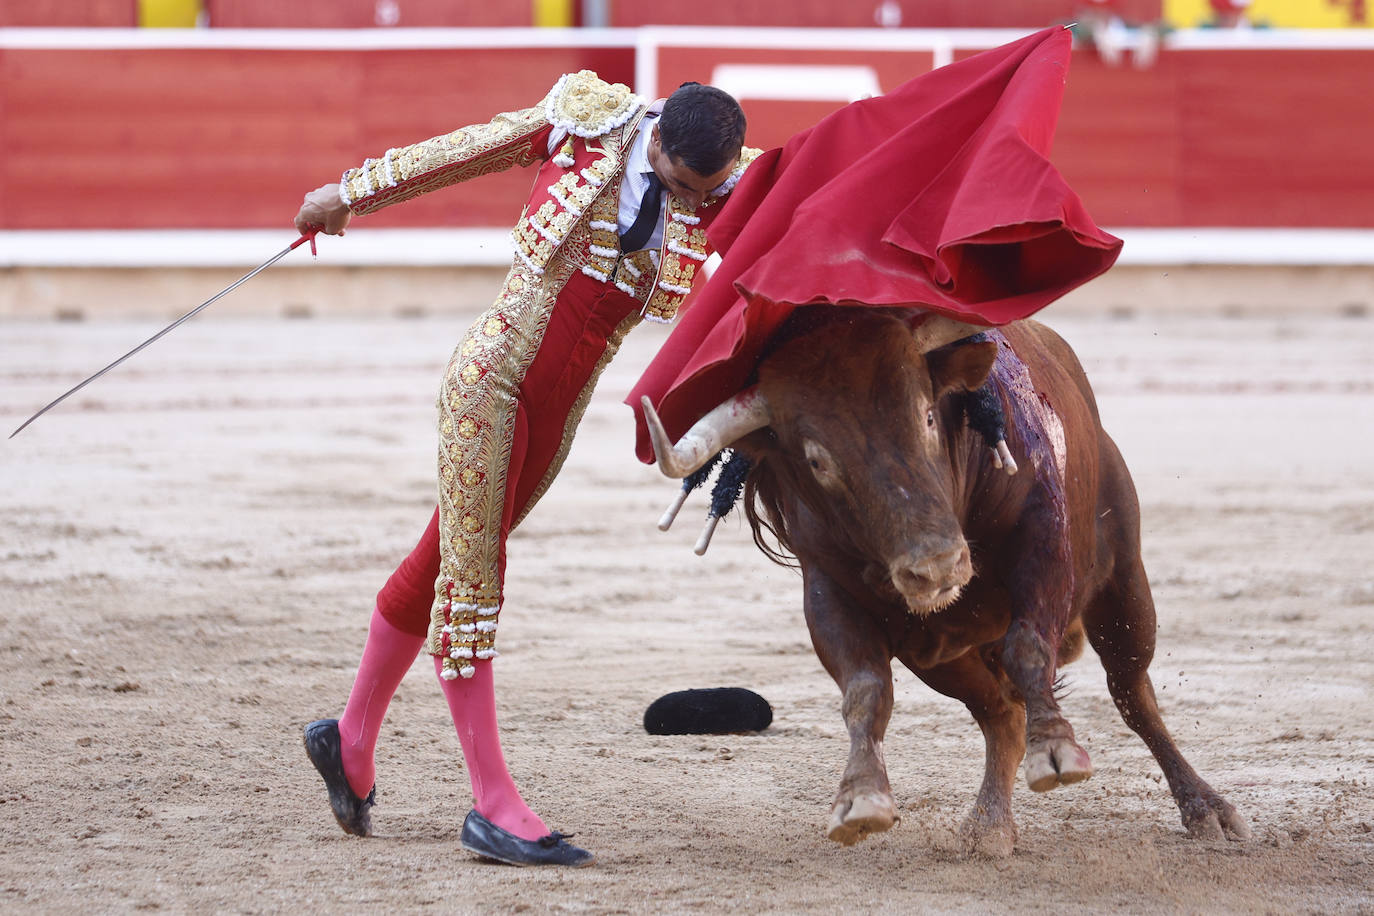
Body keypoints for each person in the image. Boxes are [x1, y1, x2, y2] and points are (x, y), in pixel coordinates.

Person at [294, 71, 757, 867]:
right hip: (492, 381)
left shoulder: (725, 185)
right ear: (658, 138)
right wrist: (350, 192)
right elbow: (467, 150)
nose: (690, 201)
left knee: (443, 557)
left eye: (702, 191)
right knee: (475, 581)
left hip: (558, 411)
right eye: (680, 184)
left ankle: (351, 738)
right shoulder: (587, 122)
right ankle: (492, 805)